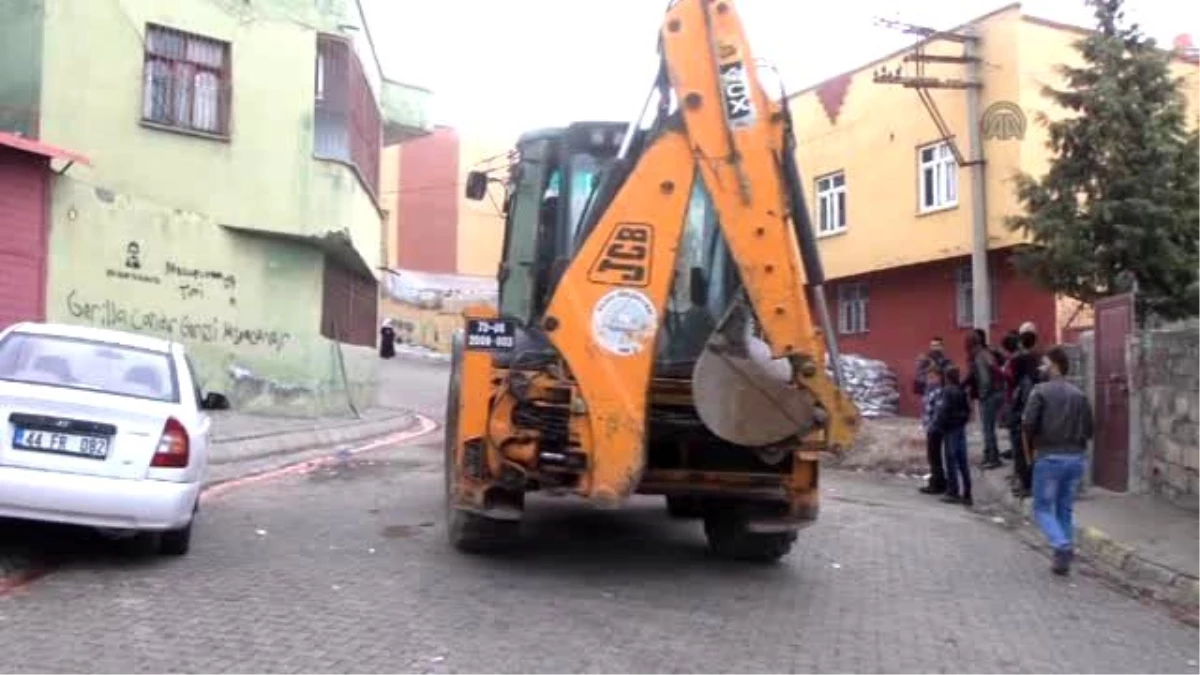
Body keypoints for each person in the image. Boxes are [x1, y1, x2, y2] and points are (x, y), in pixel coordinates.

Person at [1022, 346, 1093, 576]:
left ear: (1053, 365)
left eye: (1044, 363)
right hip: (1076, 458)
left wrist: (1030, 450)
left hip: (1049, 456)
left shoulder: (1039, 391)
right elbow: (1090, 429)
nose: (1041, 368)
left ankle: (1061, 545)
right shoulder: (1079, 395)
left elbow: (1028, 424)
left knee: (1042, 507)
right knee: (1064, 508)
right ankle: (1063, 555)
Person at [1005, 325, 1042, 497]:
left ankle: (1026, 484)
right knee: (1031, 450)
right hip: (1031, 414)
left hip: (1021, 414)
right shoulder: (1038, 362)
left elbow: (1016, 387)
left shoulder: (1019, 362)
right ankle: (1028, 482)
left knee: (1021, 451)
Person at [965, 331, 1005, 470]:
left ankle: (993, 458)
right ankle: (991, 456)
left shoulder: (979, 357)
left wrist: (982, 395)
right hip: (998, 392)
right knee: (989, 428)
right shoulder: (986, 353)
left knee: (988, 429)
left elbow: (985, 379)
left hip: (990, 395)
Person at [935, 365, 972, 506]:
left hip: (950, 429)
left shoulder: (947, 391)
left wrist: (939, 426)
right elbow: (967, 411)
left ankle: (953, 492)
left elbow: (943, 411)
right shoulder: (961, 391)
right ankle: (967, 493)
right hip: (960, 428)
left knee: (951, 461)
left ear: (946, 377)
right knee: (963, 462)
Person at [919, 365, 947, 495]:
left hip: (935, 428)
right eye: (928, 377)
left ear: (939, 378)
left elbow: (938, 411)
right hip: (930, 426)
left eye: (932, 377)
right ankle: (935, 481)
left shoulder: (939, 391)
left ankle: (938, 483)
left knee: (935, 456)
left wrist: (933, 426)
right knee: (932, 456)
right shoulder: (929, 390)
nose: (929, 380)